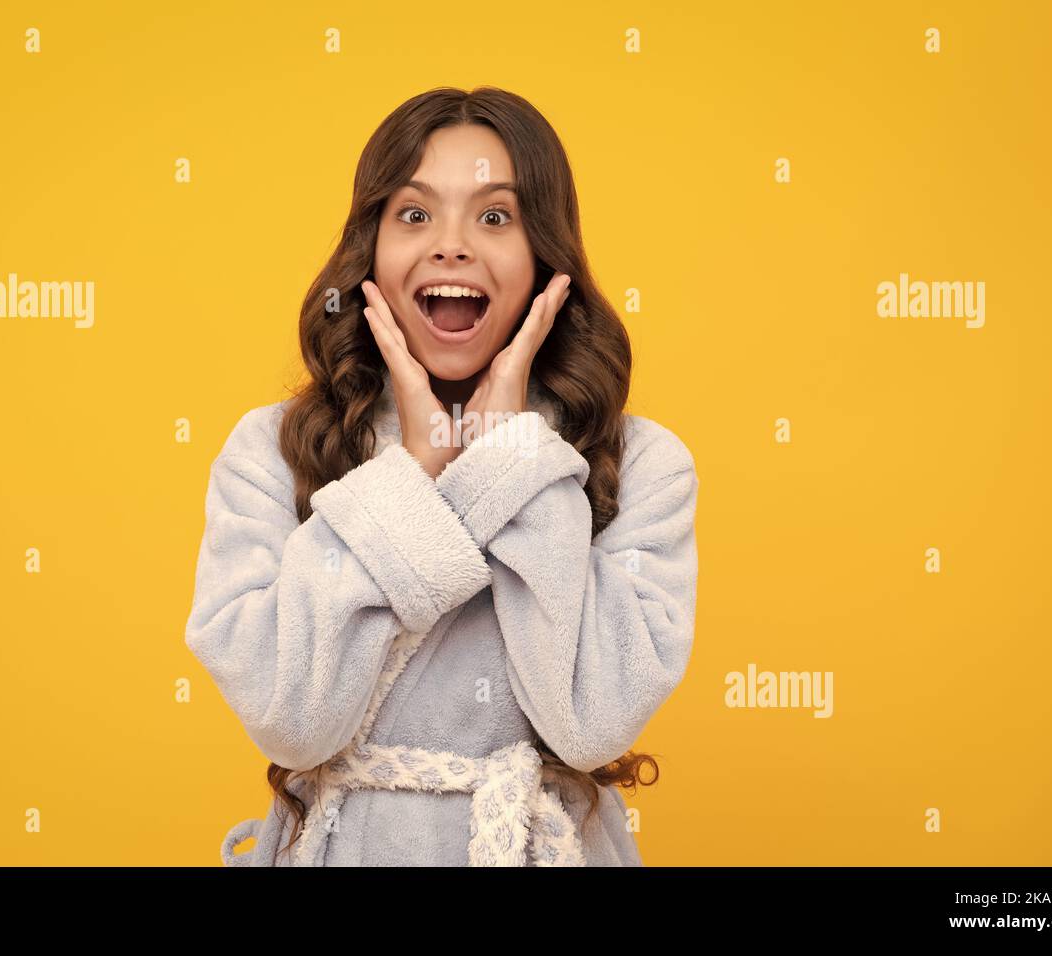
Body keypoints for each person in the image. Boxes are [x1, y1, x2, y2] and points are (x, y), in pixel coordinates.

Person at [184, 86, 699, 866]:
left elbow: (591, 722)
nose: (451, 246)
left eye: (495, 217)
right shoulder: (273, 451)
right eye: (415, 214)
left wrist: (511, 458)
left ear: (543, 260)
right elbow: (292, 720)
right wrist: (413, 472)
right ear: (372, 254)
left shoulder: (645, 464)